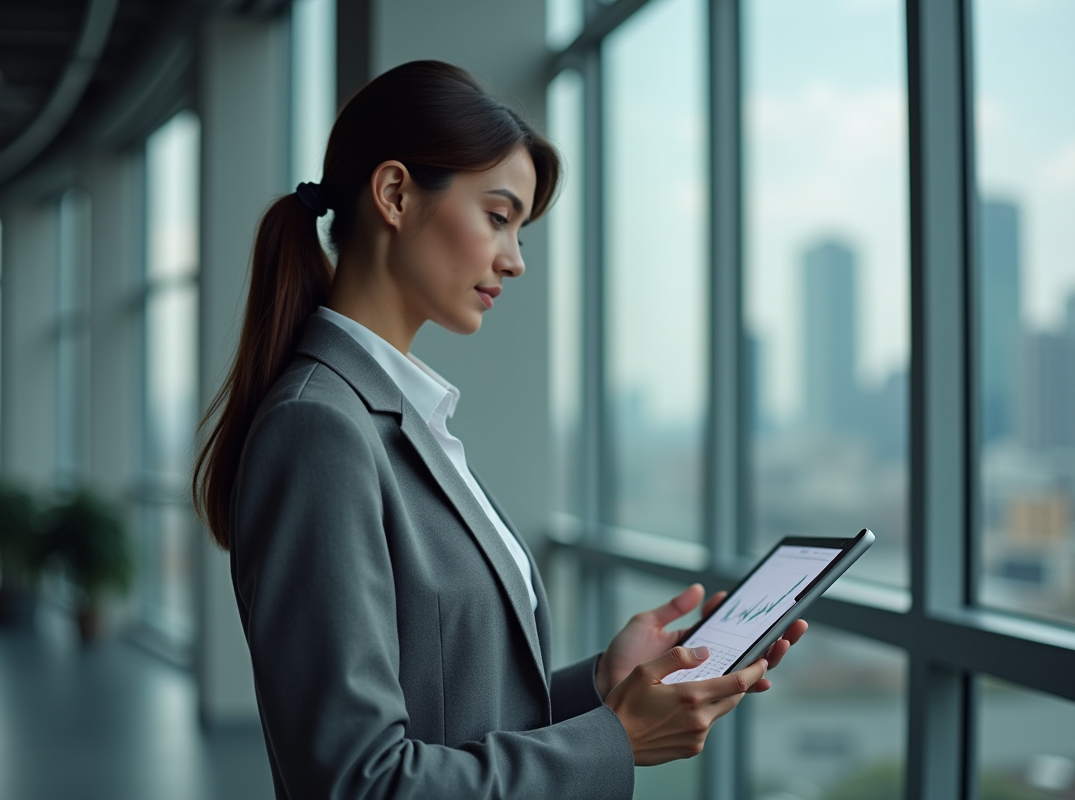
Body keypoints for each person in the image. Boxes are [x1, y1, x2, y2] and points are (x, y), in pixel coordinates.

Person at [192, 60, 806, 799]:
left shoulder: (398, 417)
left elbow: (452, 707)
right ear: (394, 195)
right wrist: (617, 739)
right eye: (498, 216)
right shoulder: (320, 429)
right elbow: (358, 781)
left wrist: (603, 687)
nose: (514, 261)